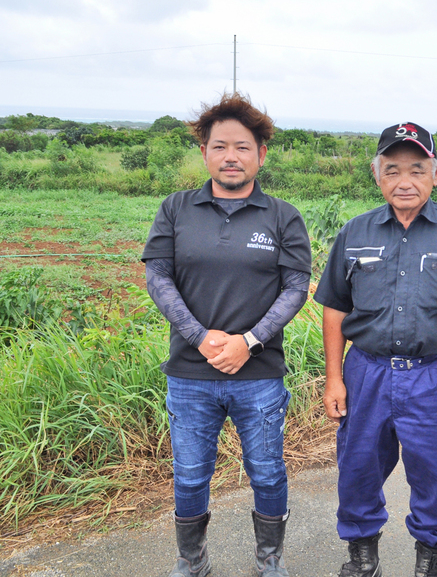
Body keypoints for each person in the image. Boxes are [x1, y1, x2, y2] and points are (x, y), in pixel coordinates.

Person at [313, 122, 437, 577]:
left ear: (436, 173)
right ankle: (362, 559)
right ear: (376, 173)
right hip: (366, 372)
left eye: (417, 169)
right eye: (393, 169)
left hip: (434, 375)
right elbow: (334, 311)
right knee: (358, 467)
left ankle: (431, 560)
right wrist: (334, 377)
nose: (405, 181)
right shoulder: (354, 232)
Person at [142, 93, 312, 577]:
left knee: (267, 472)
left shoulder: (283, 216)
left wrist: (249, 341)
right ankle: (192, 561)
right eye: (219, 147)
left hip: (258, 374)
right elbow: (158, 276)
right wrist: (199, 337)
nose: (231, 156)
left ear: (261, 153)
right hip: (191, 374)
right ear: (204, 153)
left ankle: (269, 560)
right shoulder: (176, 209)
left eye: (242, 146)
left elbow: (296, 288)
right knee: (191, 475)